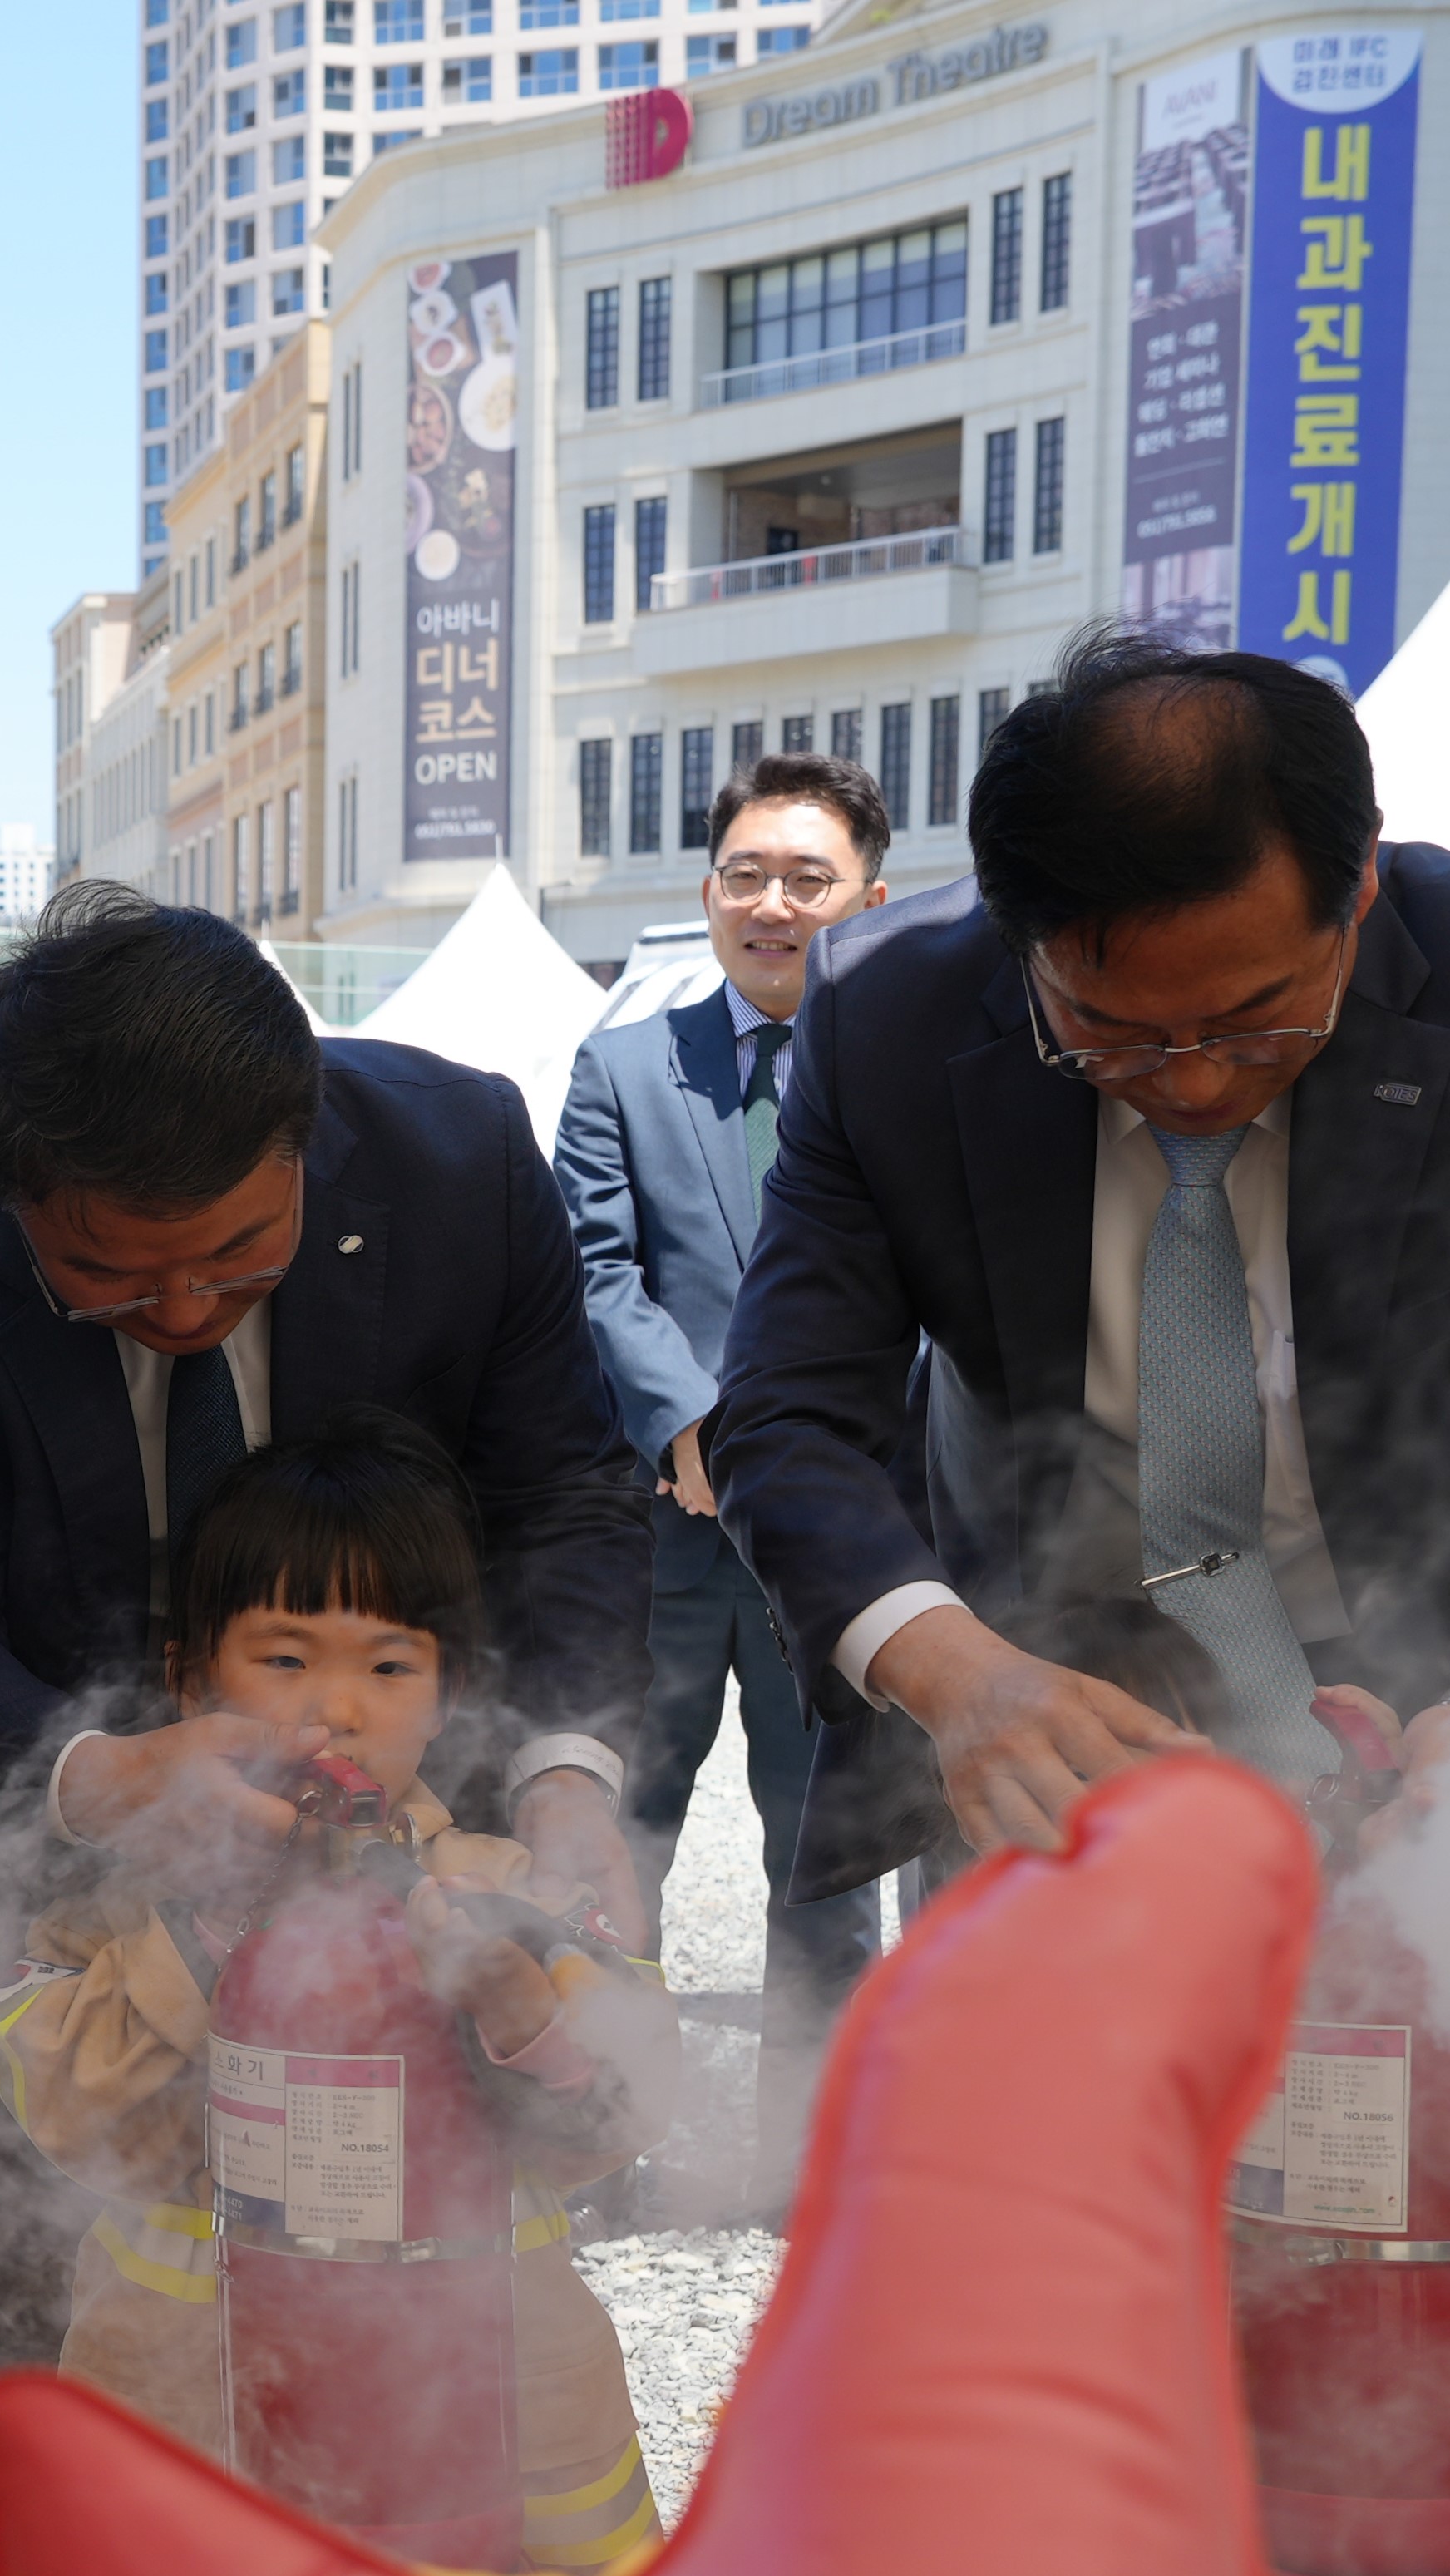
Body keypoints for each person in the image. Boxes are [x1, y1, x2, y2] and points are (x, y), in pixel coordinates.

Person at [703, 623, 1450, 1907]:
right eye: (1106, 1034)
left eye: (1256, 1023)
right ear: (1019, 944)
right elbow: (787, 1411)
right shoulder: (888, 1005)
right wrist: (952, 1672)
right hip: (1044, 1698)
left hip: (1425, 1676)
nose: (1188, 1085)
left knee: (1423, 2026)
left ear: (1357, 888)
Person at [0, 882, 654, 2380]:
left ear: (303, 1140)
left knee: (422, 2344)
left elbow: (568, 1505)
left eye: (239, 1256)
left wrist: (564, 1780)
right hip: (69, 1931)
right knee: (74, 2362)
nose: (186, 1307)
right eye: (109, 1278)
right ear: (11, 1203)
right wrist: (103, 1778)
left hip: (404, 1906)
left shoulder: (456, 1164)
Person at [0, 1412, 673, 2575]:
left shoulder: (505, 1890)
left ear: (449, 1696)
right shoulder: (121, 1912)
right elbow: (79, 2117)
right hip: (194, 2414)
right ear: (192, 1684)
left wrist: (517, 2008)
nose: (334, 1710)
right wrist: (217, 1928)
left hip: (498, 2424)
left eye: (388, 1668)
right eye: (284, 1661)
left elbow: (625, 2108)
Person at [555, 747, 893, 2212]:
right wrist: (693, 1431)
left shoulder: (907, 1075)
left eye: (807, 879)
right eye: (745, 875)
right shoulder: (622, 1069)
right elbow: (596, 1272)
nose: (772, 904)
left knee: (826, 1852)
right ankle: (591, 2136)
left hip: (843, 1543)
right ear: (705, 893)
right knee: (617, 1837)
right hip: (668, 1529)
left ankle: (810, 2156)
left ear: (866, 899)